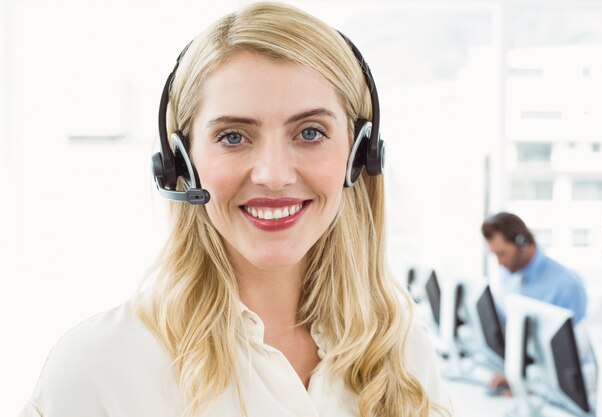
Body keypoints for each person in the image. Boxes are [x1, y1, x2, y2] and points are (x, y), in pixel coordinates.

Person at [19, 3, 452, 417]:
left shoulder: (403, 353)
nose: (274, 175)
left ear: (359, 155)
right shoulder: (99, 369)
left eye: (310, 132)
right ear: (180, 163)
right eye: (233, 137)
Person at [480, 211, 588, 396]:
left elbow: (575, 358)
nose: (500, 263)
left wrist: (534, 386)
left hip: (556, 390)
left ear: (523, 244)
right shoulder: (512, 274)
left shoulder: (567, 285)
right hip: (526, 373)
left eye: (502, 254)